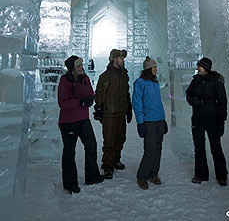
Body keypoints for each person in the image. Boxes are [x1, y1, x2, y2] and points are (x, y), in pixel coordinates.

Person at [58, 55, 104, 194]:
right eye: (78, 66)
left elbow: (90, 91)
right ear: (72, 68)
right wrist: (80, 102)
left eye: (81, 65)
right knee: (69, 152)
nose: (81, 68)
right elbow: (63, 103)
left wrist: (91, 97)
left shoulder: (85, 78)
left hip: (83, 119)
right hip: (69, 121)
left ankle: (92, 177)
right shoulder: (65, 82)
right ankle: (70, 183)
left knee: (91, 145)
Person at [186, 57, 228, 185]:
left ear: (205, 68)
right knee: (199, 148)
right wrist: (195, 102)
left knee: (216, 147)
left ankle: (221, 175)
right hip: (198, 119)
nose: (197, 68)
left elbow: (222, 102)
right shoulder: (196, 80)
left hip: (212, 119)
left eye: (199, 66)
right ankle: (201, 174)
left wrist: (221, 121)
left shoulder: (217, 82)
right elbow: (188, 95)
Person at [93, 49, 132, 179]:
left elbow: (126, 92)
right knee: (109, 141)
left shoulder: (124, 75)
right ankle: (108, 166)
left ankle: (116, 160)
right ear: (114, 59)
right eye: (121, 58)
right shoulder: (106, 76)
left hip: (121, 112)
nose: (123, 60)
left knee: (120, 139)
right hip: (109, 113)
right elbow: (99, 93)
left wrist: (129, 108)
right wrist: (99, 108)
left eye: (123, 58)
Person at [132, 57, 168, 190]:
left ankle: (154, 173)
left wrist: (163, 119)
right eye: (154, 67)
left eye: (156, 67)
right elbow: (137, 104)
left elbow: (159, 102)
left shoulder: (155, 82)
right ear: (148, 69)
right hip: (148, 121)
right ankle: (142, 176)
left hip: (158, 119)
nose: (156, 69)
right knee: (151, 149)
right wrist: (140, 123)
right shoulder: (140, 83)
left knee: (158, 148)